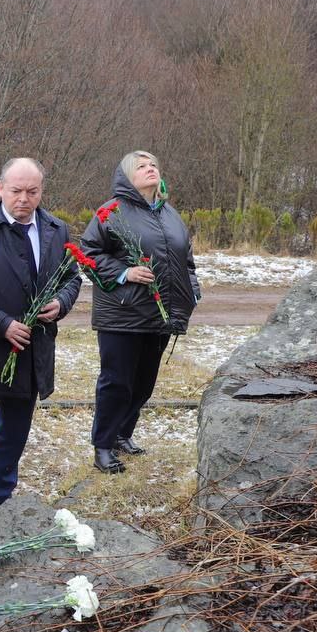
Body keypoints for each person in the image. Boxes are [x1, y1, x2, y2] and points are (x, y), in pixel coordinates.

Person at [0, 158, 82, 528]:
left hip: (32, 353)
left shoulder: (57, 230)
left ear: (41, 191)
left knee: (13, 433)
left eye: (32, 192)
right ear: (0, 189)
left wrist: (62, 303)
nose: (24, 199)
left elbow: (72, 277)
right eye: (16, 191)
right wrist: (2, 323)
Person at [80, 151, 200, 473]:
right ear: (127, 177)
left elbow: (186, 261)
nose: (150, 170)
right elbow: (87, 253)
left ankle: (122, 434)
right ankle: (103, 446)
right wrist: (125, 272)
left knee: (144, 383)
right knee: (117, 382)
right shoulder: (111, 212)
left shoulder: (170, 214)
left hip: (158, 315)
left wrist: (192, 291)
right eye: (142, 167)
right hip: (122, 313)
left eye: (154, 166)